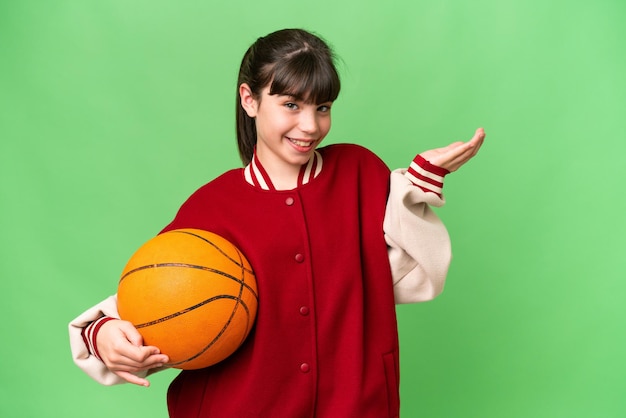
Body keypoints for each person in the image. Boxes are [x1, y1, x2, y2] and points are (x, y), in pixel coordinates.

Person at [69, 28, 484, 417]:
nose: (310, 125)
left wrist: (415, 186)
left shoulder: (359, 172)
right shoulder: (212, 206)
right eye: (291, 104)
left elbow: (415, 276)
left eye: (322, 108)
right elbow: (161, 298)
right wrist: (102, 335)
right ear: (249, 99)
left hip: (356, 404)